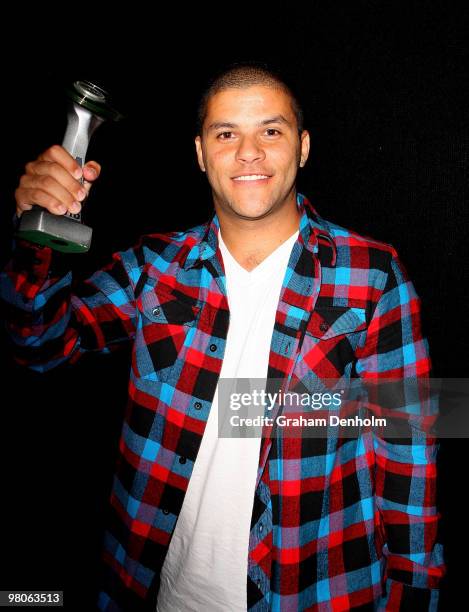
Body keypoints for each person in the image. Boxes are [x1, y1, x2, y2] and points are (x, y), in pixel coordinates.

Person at [1, 63, 445, 611]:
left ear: (302, 148)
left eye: (271, 131)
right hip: (162, 593)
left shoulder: (373, 276)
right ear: (199, 152)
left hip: (319, 594)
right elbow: (39, 345)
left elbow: (407, 444)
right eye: (227, 133)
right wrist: (35, 235)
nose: (249, 152)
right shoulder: (154, 267)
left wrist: (415, 590)